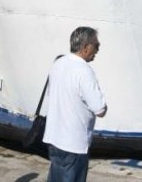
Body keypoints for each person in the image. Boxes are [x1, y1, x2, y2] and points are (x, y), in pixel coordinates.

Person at [43, 26, 107, 182]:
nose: (97, 50)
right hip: (74, 143)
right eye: (96, 45)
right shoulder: (84, 71)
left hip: (54, 138)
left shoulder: (58, 64)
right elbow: (100, 109)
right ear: (86, 47)